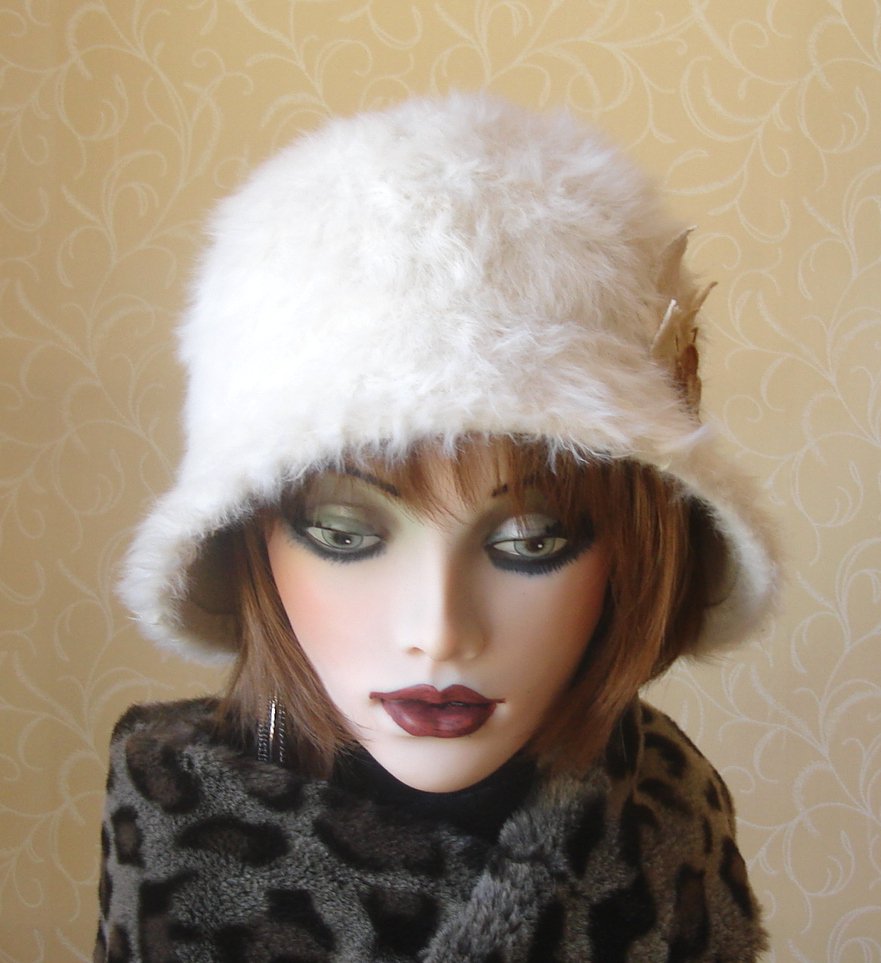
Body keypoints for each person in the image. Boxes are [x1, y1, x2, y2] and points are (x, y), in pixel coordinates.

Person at [95, 93, 779, 961]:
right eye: (344, 534)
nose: (439, 632)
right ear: (249, 544)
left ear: (632, 548)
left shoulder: (671, 819)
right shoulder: (179, 862)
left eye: (530, 542)